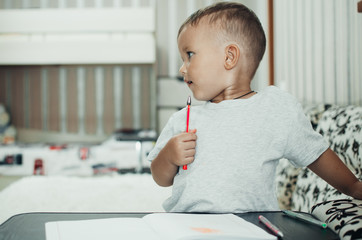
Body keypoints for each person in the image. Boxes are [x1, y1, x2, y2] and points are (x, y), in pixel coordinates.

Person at [147, 2, 362, 213]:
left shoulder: (274, 109)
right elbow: (160, 179)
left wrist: (354, 187)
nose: (182, 68)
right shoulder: (183, 119)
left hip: (253, 227)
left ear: (229, 57)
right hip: (187, 227)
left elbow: (316, 154)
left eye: (189, 55)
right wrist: (168, 156)